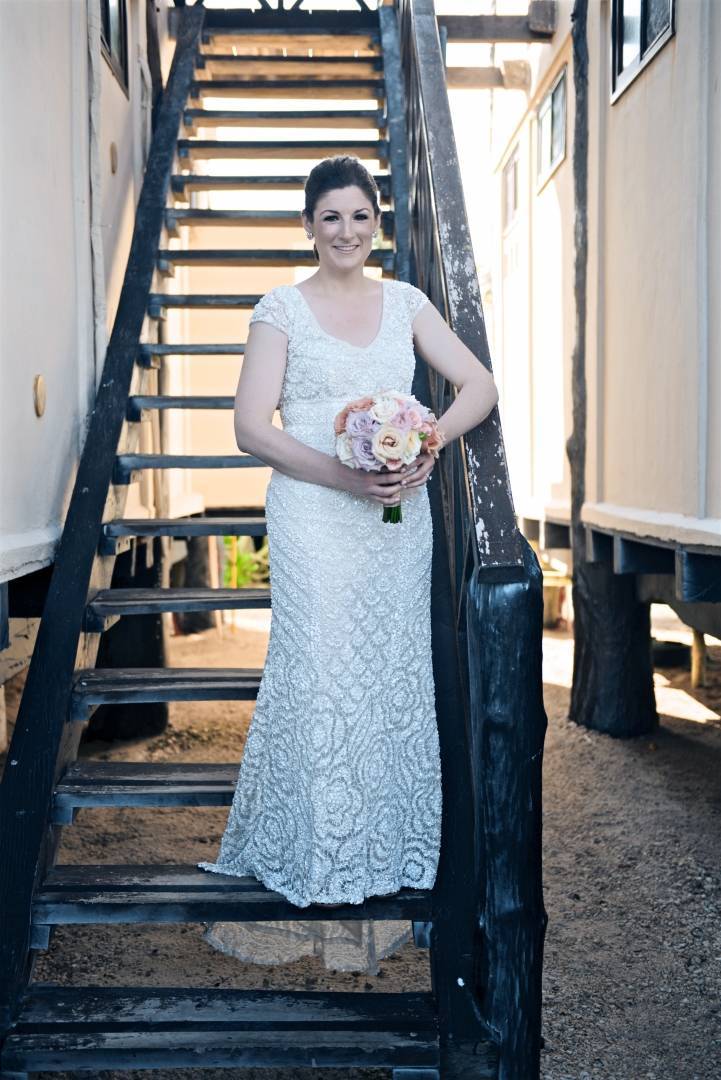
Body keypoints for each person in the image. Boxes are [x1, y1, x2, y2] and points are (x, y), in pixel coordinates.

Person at [197, 155, 499, 974]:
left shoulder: (404, 301)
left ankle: (382, 853)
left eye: (359, 216)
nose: (346, 231)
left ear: (376, 222)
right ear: (308, 224)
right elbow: (250, 427)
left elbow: (477, 384)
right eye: (330, 217)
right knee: (320, 672)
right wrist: (343, 474)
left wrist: (426, 444)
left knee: (386, 674)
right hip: (311, 517)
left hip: (395, 522)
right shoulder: (280, 309)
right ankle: (316, 854)